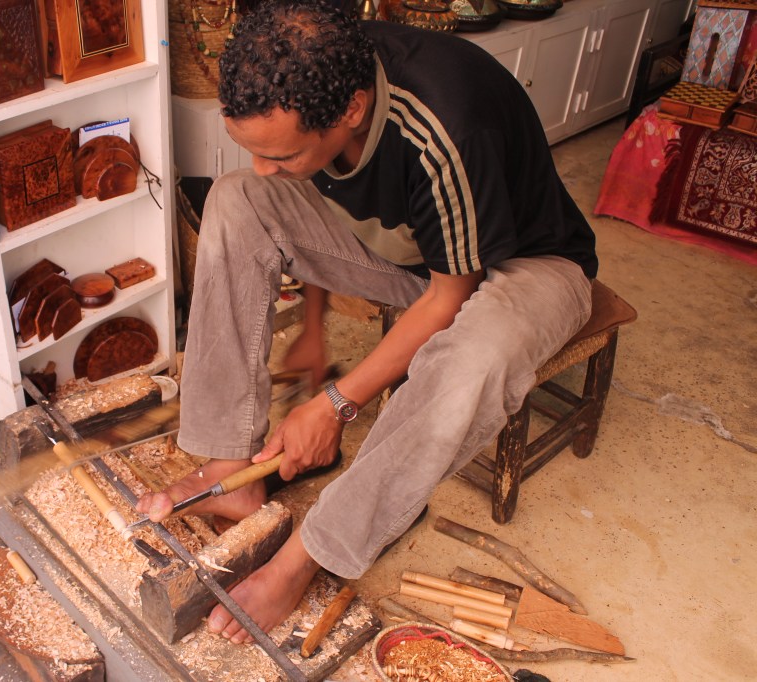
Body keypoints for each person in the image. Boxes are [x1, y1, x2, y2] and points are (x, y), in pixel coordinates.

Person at [136, 0, 597, 643]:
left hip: (527, 263)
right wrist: (315, 330)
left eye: (284, 155)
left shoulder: (447, 126)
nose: (268, 169)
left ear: (352, 111)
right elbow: (334, 202)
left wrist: (336, 404)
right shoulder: (318, 78)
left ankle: (310, 556)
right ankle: (228, 470)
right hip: (418, 250)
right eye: (255, 149)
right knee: (237, 200)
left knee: (473, 359)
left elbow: (449, 300)